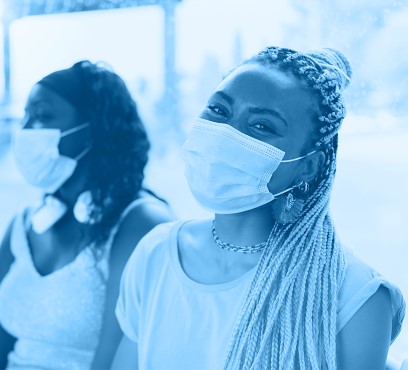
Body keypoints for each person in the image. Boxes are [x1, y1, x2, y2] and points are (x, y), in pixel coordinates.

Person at [112, 47, 405, 370]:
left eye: (262, 126)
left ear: (307, 166)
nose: (226, 132)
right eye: (219, 110)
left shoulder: (354, 294)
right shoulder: (155, 253)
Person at [0, 61, 173, 370]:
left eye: (43, 116)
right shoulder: (23, 226)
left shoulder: (140, 224)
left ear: (94, 129)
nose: (26, 130)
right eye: (26, 117)